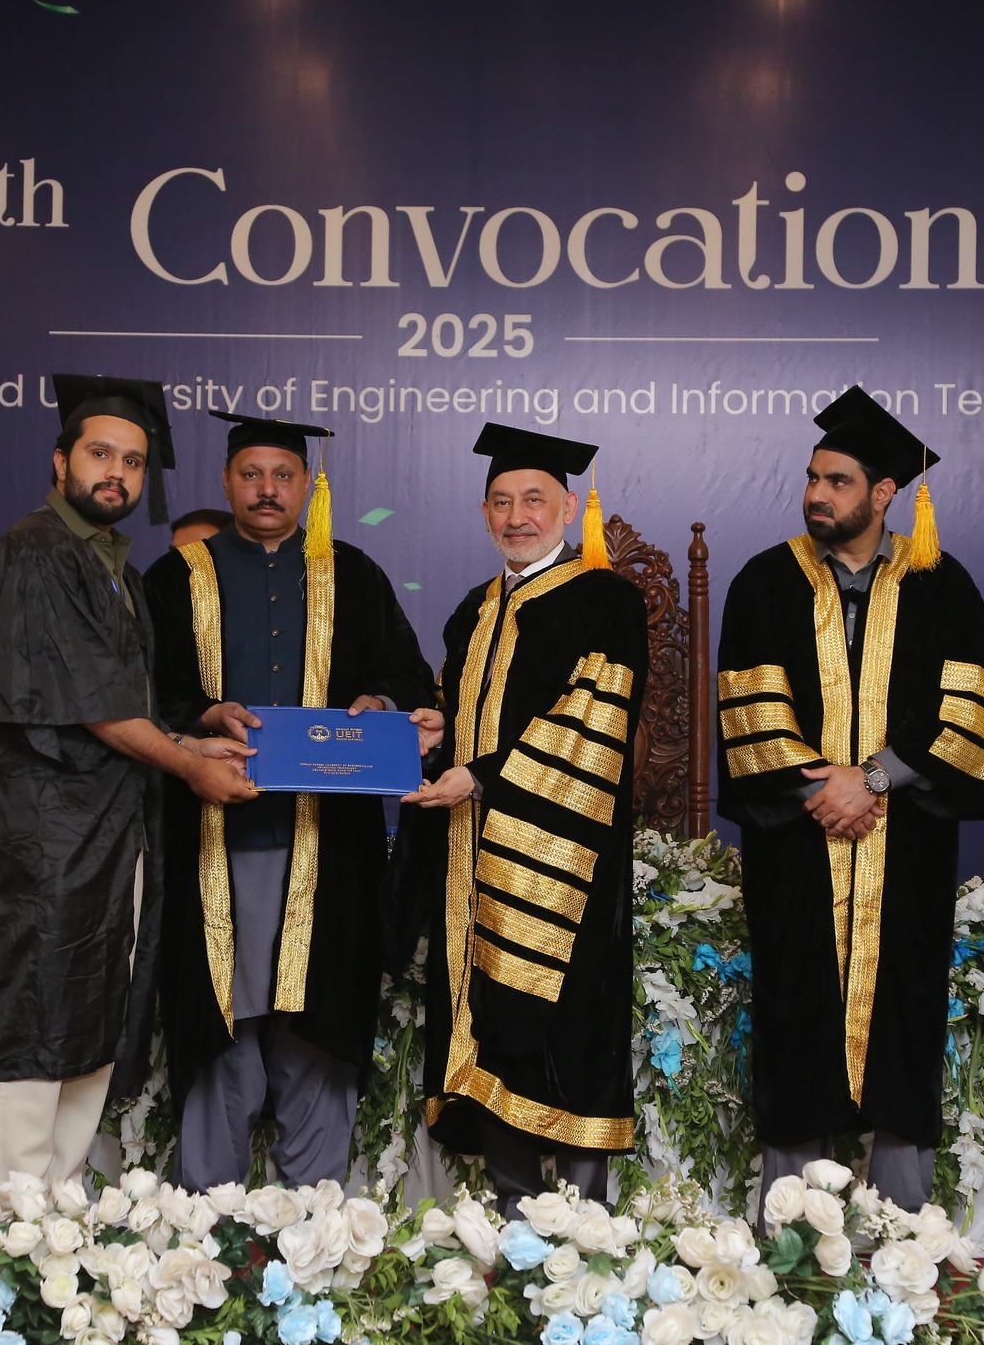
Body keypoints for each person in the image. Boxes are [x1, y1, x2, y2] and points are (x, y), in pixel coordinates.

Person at [0, 374, 255, 1189]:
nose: (116, 473)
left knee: (89, 1025)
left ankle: (56, 1224)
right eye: (100, 454)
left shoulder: (114, 567)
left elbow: (125, 703)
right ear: (61, 462)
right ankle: (6, 1227)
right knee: (35, 1023)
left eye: (132, 460)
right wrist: (190, 764)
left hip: (106, 833)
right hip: (43, 838)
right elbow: (92, 706)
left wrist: (194, 732)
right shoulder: (35, 551)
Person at [715, 387, 984, 1215]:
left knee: (904, 1013)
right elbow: (752, 712)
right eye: (813, 477)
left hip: (905, 843)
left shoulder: (942, 583)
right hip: (796, 844)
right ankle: (790, 1223)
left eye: (837, 481)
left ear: (883, 492)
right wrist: (824, 785)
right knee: (794, 1012)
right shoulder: (765, 580)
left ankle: (904, 1227)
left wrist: (871, 778)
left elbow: (967, 710)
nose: (817, 494)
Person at [143, 411, 435, 1191]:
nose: (267, 489)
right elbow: (140, 694)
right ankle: (207, 1224)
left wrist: (380, 701)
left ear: (307, 484)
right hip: (213, 840)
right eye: (251, 474)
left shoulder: (356, 575)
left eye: (283, 475)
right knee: (221, 1027)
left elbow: (410, 678)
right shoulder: (177, 578)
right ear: (227, 480)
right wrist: (205, 714)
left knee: (319, 1027)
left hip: (328, 847)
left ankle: (316, 1224)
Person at [403, 423, 647, 1214]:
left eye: (534, 499)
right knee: (491, 1026)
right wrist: (440, 732)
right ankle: (512, 1217)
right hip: (472, 858)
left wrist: (479, 774)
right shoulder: (473, 610)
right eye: (502, 502)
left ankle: (585, 1228)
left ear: (569, 509)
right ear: (484, 514)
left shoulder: (607, 601)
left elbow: (589, 725)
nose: (517, 516)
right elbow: (467, 713)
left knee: (566, 1026)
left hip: (564, 865)